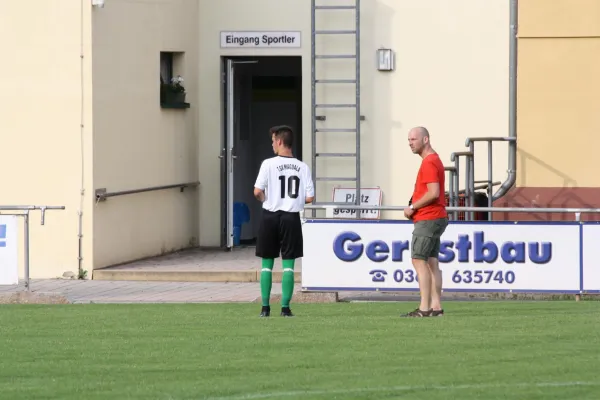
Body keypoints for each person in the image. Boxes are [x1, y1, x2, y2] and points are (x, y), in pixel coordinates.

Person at [253, 125, 314, 317]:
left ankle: (265, 308)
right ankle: (286, 308)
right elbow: (310, 197)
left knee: (266, 264)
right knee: (289, 264)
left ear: (279, 141)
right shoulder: (302, 167)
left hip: (270, 215)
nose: (272, 144)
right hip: (291, 216)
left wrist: (266, 199)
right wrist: (293, 200)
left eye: (273, 141)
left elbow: (257, 191)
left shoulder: (268, 164)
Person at [401, 126, 449, 317]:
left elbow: (433, 193)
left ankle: (424, 308)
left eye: (413, 139)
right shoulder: (435, 160)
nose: (410, 143)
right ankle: (436, 307)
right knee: (432, 262)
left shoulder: (429, 162)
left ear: (426, 139)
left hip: (428, 217)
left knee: (418, 260)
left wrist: (412, 207)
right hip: (438, 216)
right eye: (409, 140)